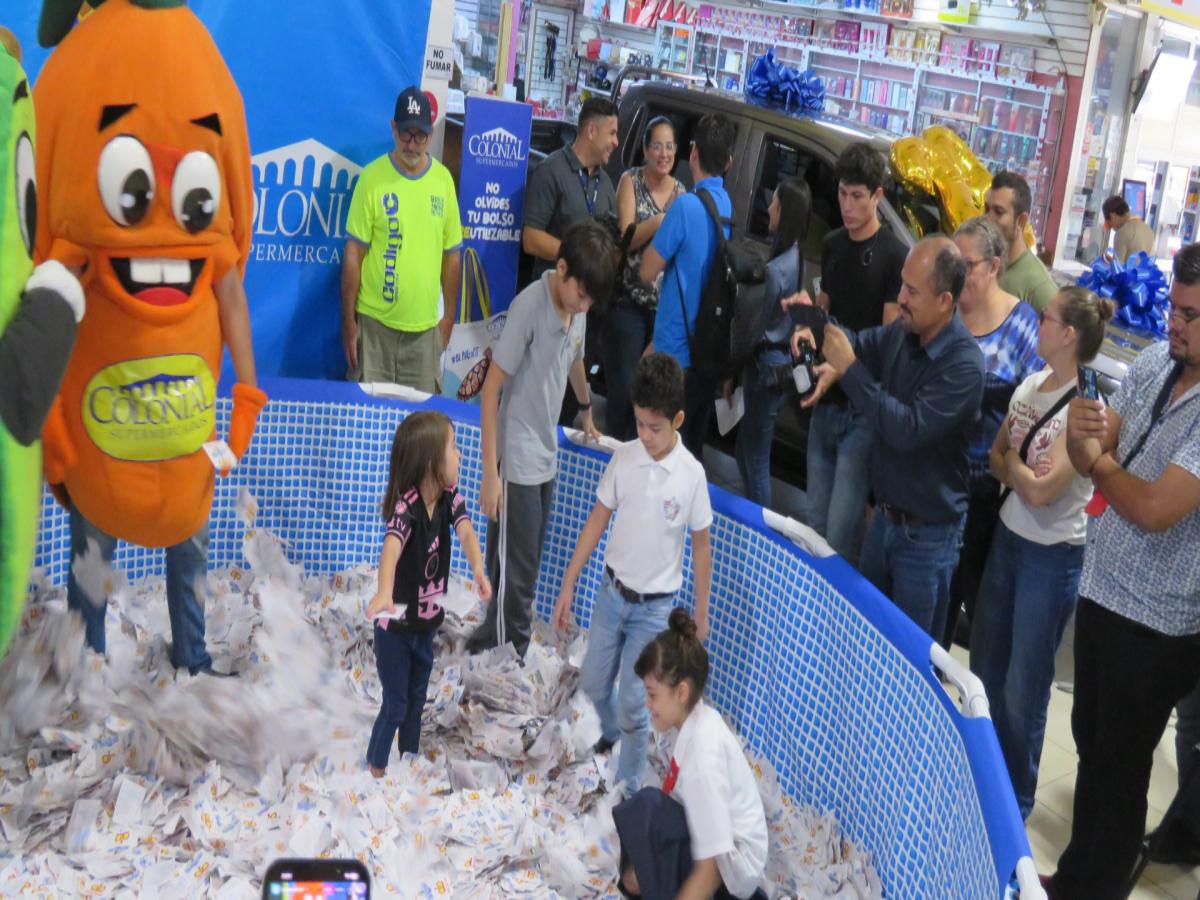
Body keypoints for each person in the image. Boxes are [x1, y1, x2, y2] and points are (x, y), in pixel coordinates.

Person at [1041, 243, 1200, 899]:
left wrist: (1100, 460)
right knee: (1089, 748)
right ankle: (1078, 873)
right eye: (1176, 309)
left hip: (1159, 624)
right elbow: (1093, 448)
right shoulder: (1159, 362)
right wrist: (1088, 435)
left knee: (1122, 767)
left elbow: (1159, 507)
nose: (1177, 325)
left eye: (1192, 315)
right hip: (1104, 590)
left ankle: (1095, 889)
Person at [791, 237, 984, 638]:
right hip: (884, 523)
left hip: (927, 542)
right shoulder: (903, 332)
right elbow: (859, 345)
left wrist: (851, 371)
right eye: (902, 286)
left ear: (946, 301)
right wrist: (816, 327)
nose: (901, 299)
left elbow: (906, 429)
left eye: (912, 291)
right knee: (868, 642)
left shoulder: (963, 366)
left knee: (910, 661)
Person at [969, 286, 1112, 821]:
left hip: (1052, 555)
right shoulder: (1031, 383)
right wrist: (1020, 472)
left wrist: (1018, 473)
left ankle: (1015, 799)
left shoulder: (1089, 407)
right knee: (985, 662)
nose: (1038, 324)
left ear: (1069, 335)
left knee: (1023, 686)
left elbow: (1043, 491)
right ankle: (982, 774)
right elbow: (996, 454)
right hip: (1010, 539)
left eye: (1047, 318)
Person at [553, 353, 713, 795]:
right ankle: (615, 733)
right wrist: (569, 580)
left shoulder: (692, 476)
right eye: (640, 424)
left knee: (634, 700)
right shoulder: (625, 457)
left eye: (654, 427)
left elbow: (701, 547)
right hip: (612, 593)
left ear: (678, 419)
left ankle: (626, 789)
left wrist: (701, 612)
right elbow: (597, 518)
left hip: (655, 609)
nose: (645, 435)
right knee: (592, 681)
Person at [466, 220, 618, 659]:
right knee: (518, 569)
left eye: (591, 300)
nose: (584, 306)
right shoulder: (529, 306)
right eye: (582, 295)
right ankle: (509, 655)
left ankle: (493, 643)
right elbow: (491, 389)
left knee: (522, 560)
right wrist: (491, 475)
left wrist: (587, 409)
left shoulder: (577, 310)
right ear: (562, 268)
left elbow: (575, 358)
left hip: (545, 453)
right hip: (515, 457)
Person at [365, 411, 490, 777]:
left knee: (418, 700)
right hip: (395, 630)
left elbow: (466, 533)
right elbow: (391, 548)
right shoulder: (407, 507)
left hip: (425, 625)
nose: (460, 455)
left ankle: (408, 763)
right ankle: (375, 769)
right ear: (431, 460)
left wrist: (479, 570)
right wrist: (384, 591)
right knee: (396, 704)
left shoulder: (450, 498)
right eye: (454, 447)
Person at [616, 608, 768, 900]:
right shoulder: (694, 720)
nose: (647, 705)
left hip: (730, 876)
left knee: (647, 809)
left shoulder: (703, 758)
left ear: (681, 693)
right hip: (721, 851)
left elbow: (710, 871)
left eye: (653, 694)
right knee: (642, 814)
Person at [941, 217, 1042, 648]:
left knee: (973, 596)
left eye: (967, 264)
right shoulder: (943, 309)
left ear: (994, 266)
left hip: (984, 488)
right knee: (930, 602)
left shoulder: (1021, 325)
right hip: (932, 476)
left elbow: (1036, 407)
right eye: (953, 264)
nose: (959, 275)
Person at [804, 143, 906, 564]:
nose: (846, 205)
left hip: (861, 411)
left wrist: (845, 361)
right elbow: (823, 309)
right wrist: (806, 330)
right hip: (822, 399)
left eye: (857, 196)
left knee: (841, 531)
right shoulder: (832, 244)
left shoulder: (895, 256)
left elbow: (886, 342)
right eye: (842, 194)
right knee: (812, 523)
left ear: (877, 196)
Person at [342, 86, 461, 392]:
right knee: (368, 427)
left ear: (430, 135)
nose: (412, 144)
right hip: (373, 330)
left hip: (424, 334)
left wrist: (448, 319)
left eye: (419, 136)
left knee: (420, 433)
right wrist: (349, 323)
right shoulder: (371, 178)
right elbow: (353, 255)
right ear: (393, 129)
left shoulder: (444, 182)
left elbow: (453, 257)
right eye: (405, 134)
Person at [640, 112, 737, 460]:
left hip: (674, 355)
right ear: (728, 162)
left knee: (658, 448)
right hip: (706, 351)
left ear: (692, 153)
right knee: (689, 452)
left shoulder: (685, 207)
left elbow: (647, 271)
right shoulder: (726, 206)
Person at [603, 117, 685, 441]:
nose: (664, 154)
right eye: (657, 146)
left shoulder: (682, 192)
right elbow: (626, 239)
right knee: (624, 392)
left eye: (669, 146)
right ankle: (609, 461)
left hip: (661, 312)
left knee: (652, 400)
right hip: (627, 304)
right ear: (645, 149)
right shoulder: (630, 181)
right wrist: (661, 221)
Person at [733, 176, 811, 509]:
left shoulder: (777, 269)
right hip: (777, 367)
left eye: (775, 201)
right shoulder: (796, 255)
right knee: (748, 451)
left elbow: (755, 324)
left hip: (766, 367)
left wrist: (732, 369)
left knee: (755, 458)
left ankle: (758, 526)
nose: (769, 206)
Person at [522, 96, 619, 280]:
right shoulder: (550, 170)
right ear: (591, 131)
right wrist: (580, 257)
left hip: (590, 301)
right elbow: (531, 239)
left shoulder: (605, 183)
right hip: (551, 297)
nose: (616, 142)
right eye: (612, 133)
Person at [985, 171, 1056, 314]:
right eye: (987, 210)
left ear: (1021, 221)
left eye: (999, 212)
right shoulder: (981, 264)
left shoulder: (1040, 287)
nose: (988, 219)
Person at [1102, 195, 1156, 265]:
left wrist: (1108, 261)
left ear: (1112, 216)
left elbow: (1118, 270)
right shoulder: (1148, 230)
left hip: (1129, 275)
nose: (1112, 228)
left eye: (1110, 224)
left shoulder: (1122, 233)